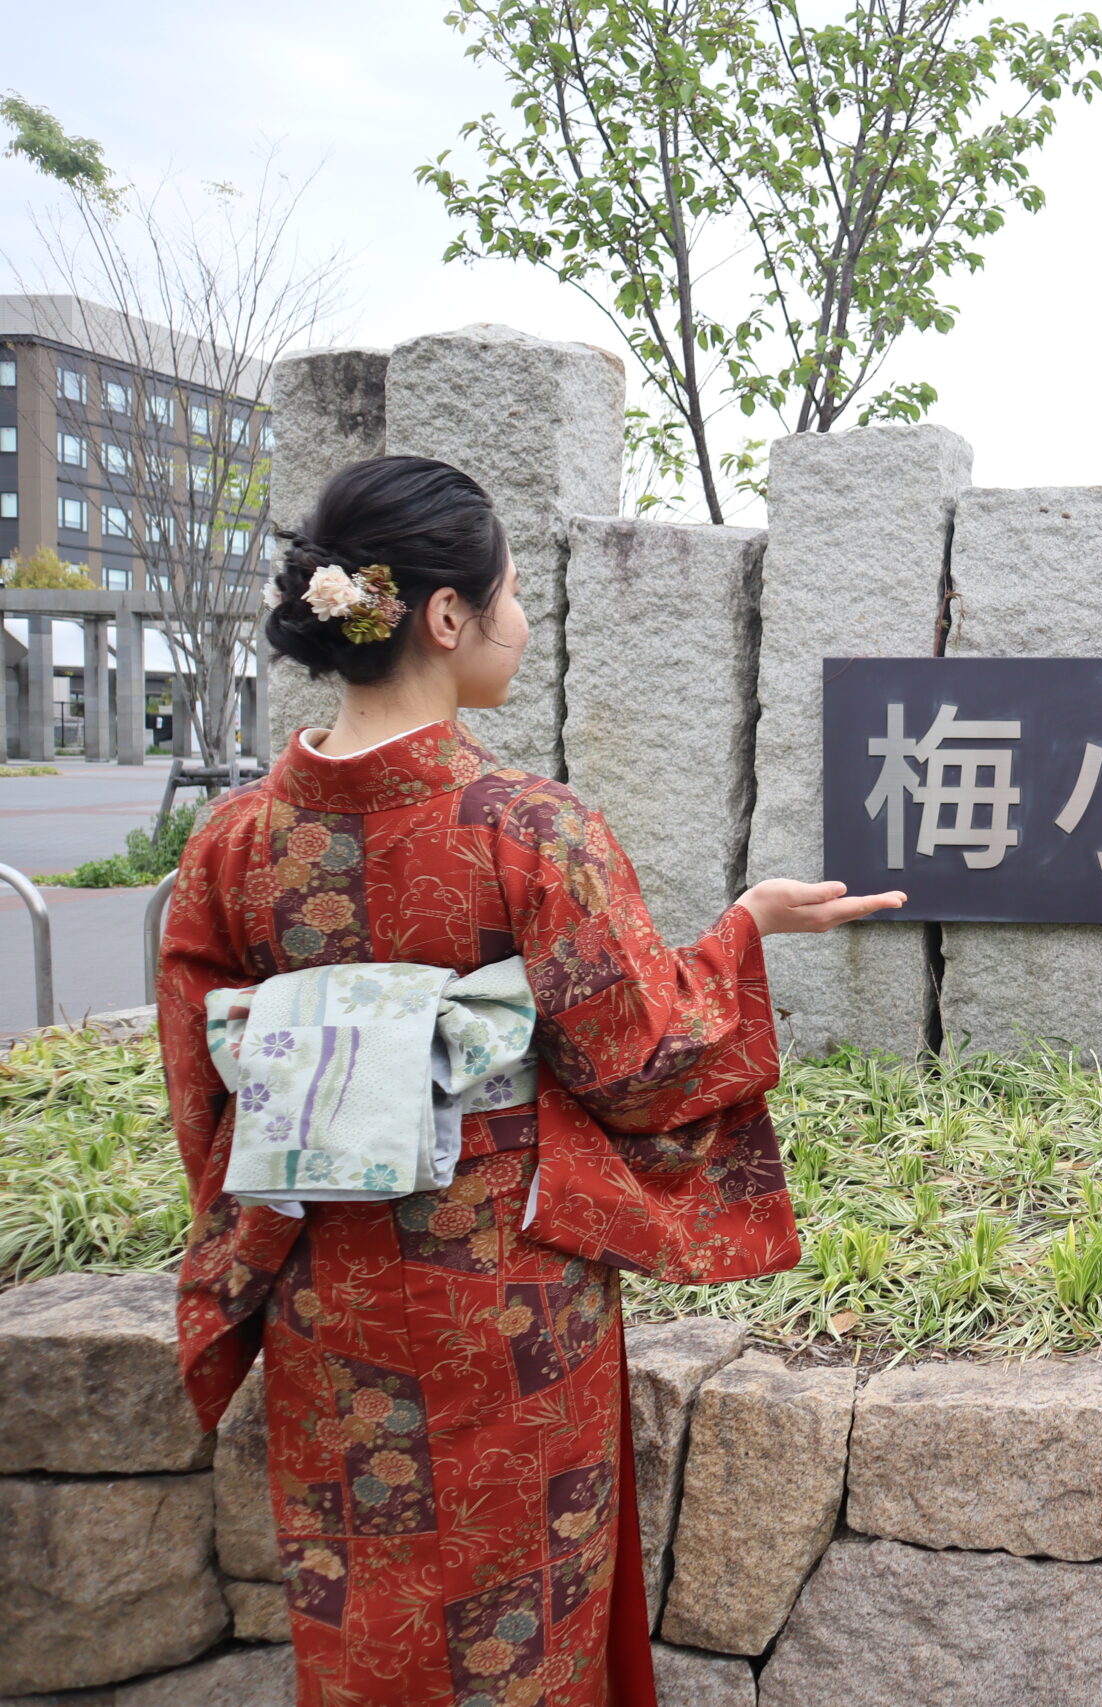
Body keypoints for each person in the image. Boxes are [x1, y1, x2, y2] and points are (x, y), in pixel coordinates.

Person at [157, 455, 905, 1707]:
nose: (518, 623)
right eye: (507, 598)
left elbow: (205, 1088)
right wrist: (740, 933)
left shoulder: (234, 841)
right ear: (444, 618)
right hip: (504, 1297)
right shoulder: (527, 827)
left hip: (324, 1287)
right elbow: (639, 1057)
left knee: (365, 1604)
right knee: (520, 1618)